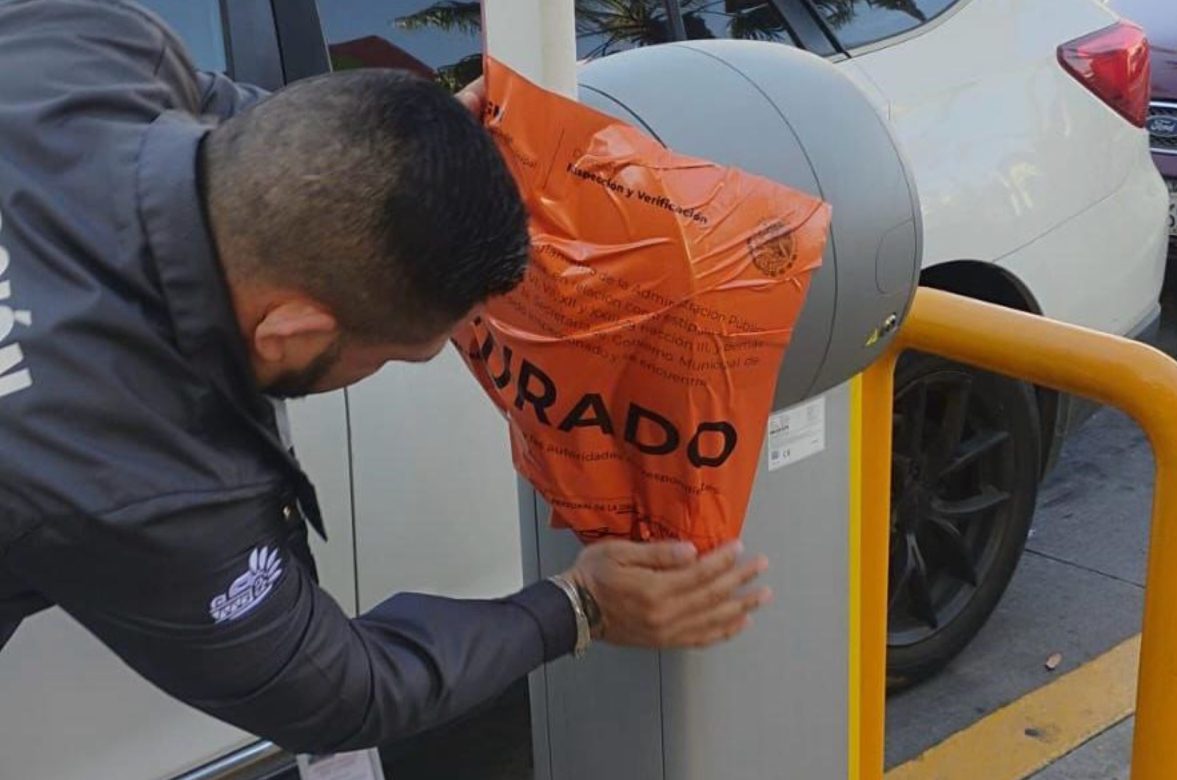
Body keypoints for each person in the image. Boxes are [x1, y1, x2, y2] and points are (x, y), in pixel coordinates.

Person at [0, 0, 771, 755]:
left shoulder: (83, 50)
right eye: (402, 352)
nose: (415, 362)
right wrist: (580, 605)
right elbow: (337, 689)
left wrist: (406, 158)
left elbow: (244, 132)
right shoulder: (150, 485)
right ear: (292, 329)